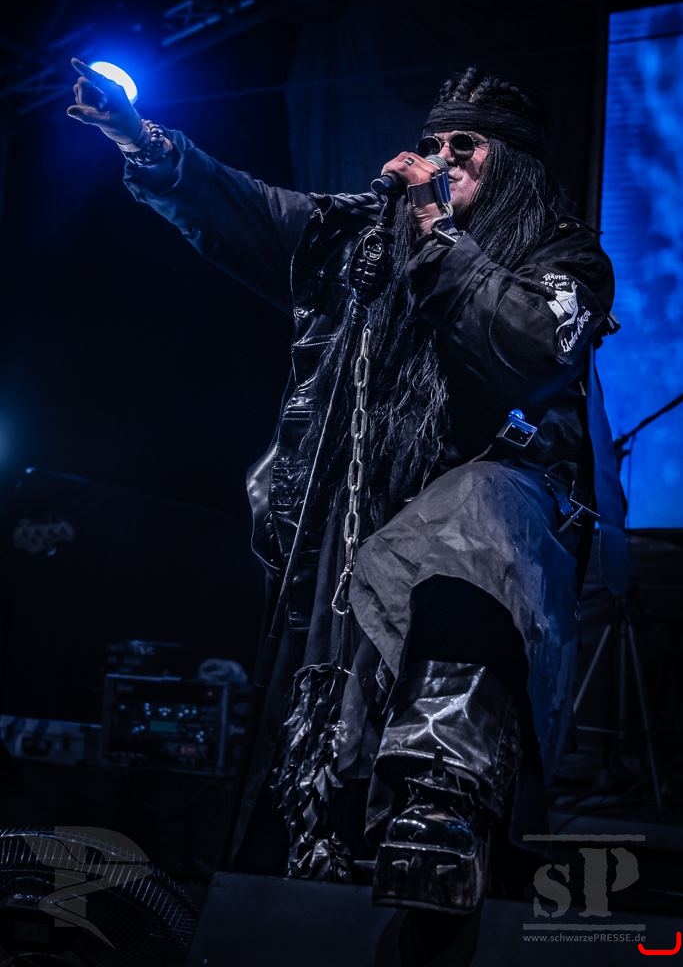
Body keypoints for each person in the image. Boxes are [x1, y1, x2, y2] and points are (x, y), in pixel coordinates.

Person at [66, 57, 627, 947]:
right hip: (362, 525)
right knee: (316, 781)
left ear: (512, 163)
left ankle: (444, 807)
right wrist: (137, 137)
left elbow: (527, 350)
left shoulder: (562, 256)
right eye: (432, 142)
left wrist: (438, 231)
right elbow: (246, 208)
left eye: (466, 145)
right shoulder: (361, 237)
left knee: (468, 520)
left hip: (499, 518)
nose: (441, 156)